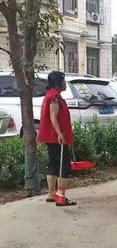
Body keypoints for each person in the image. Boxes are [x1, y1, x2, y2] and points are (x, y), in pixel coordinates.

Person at [37, 71, 76, 207]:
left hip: (51, 137)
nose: (66, 83)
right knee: (63, 166)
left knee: (53, 165)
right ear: (58, 82)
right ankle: (60, 196)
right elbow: (53, 116)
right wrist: (60, 133)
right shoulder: (54, 97)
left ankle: (51, 194)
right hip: (57, 137)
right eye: (64, 81)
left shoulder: (52, 95)